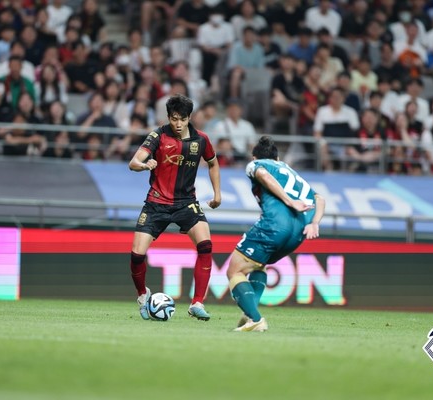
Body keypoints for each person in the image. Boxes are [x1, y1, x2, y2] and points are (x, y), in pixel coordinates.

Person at [128, 94, 221, 321]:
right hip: (156, 202)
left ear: (190, 117)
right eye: (173, 118)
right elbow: (133, 162)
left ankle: (197, 302)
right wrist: (144, 165)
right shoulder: (158, 135)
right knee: (137, 254)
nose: (177, 124)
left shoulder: (201, 140)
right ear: (168, 117)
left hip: (186, 203)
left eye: (182, 119)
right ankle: (142, 296)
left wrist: (217, 193)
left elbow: (213, 163)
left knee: (206, 245)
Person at [226, 136, 325, 332]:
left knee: (234, 271)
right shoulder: (290, 171)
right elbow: (319, 198)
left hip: (275, 225)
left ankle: (255, 319)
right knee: (257, 265)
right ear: (278, 158)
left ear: (254, 157)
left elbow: (262, 174)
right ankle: (249, 313)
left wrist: (289, 201)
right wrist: (315, 223)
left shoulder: (256, 164)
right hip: (299, 232)